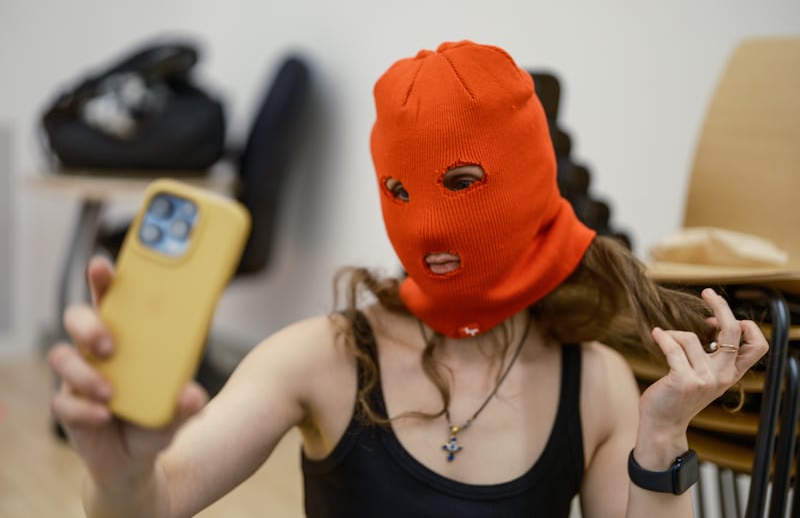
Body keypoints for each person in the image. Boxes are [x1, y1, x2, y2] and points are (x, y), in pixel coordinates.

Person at [49, 40, 768, 518]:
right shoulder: (321, 357)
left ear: (527, 181)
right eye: (399, 190)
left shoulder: (595, 383)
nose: (426, 226)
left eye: (461, 181)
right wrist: (122, 474)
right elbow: (162, 494)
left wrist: (663, 437)